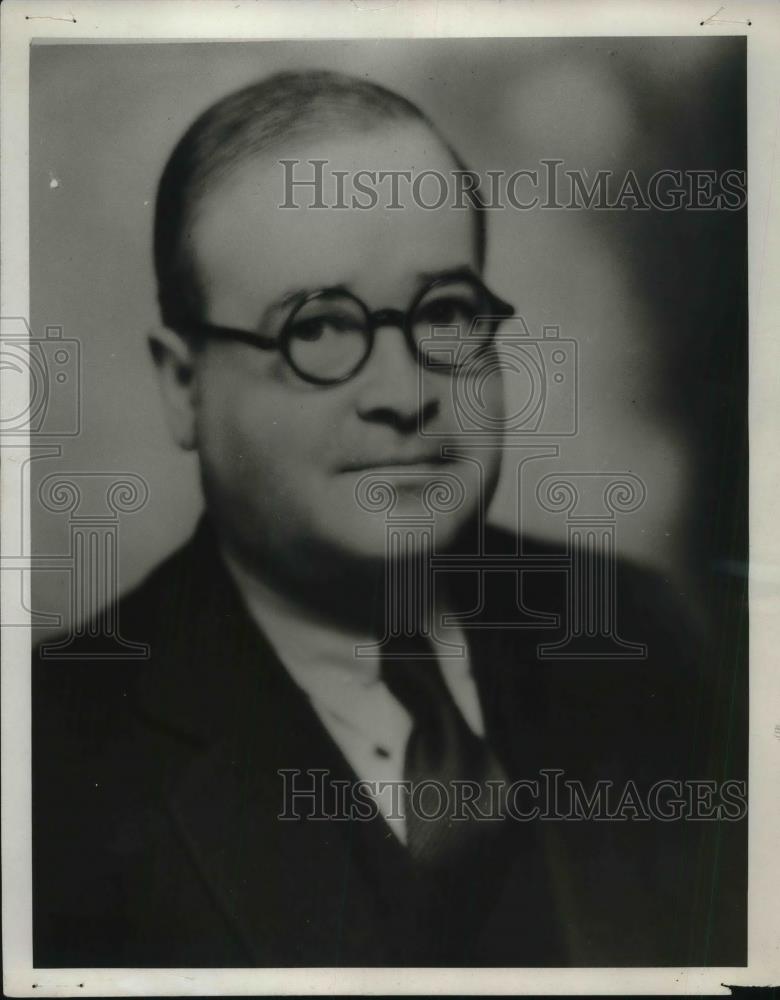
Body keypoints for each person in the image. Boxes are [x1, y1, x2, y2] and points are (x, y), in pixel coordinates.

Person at [32, 70, 745, 968]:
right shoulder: (48, 759)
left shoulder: (643, 636)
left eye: (445, 313)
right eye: (319, 331)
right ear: (185, 386)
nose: (408, 395)